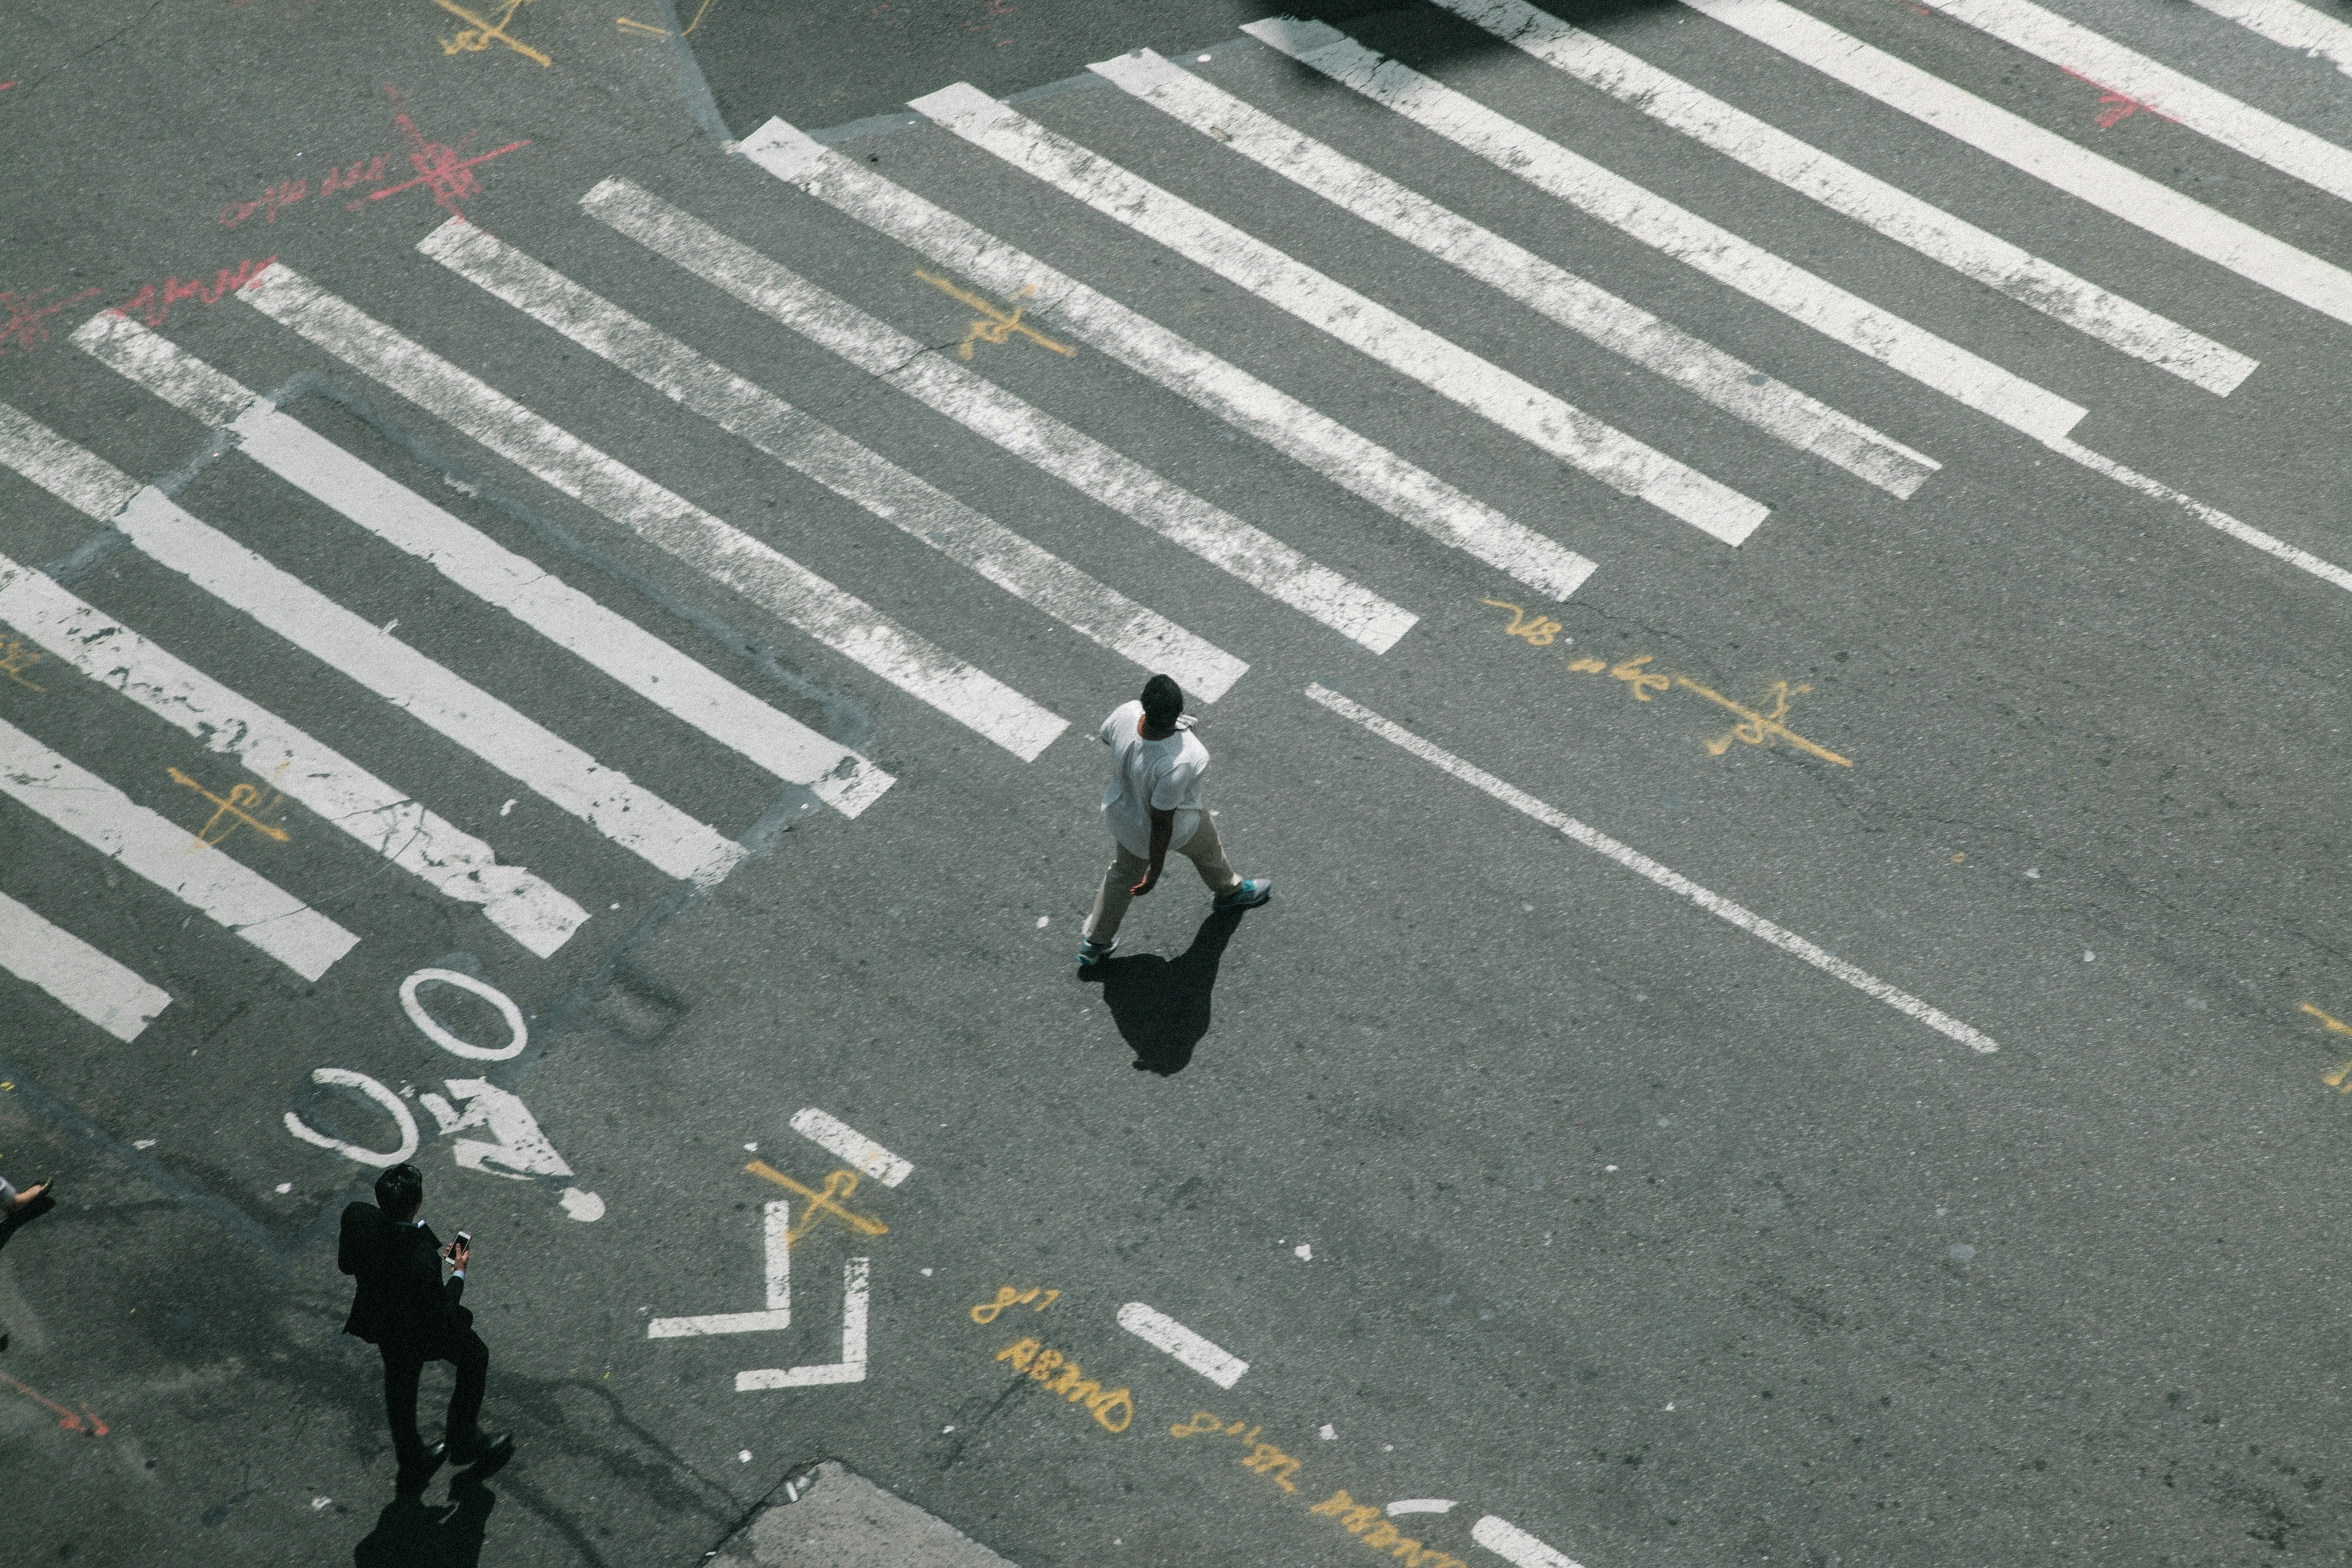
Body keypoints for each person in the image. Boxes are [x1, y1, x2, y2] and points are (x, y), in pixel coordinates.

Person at [338, 1163, 512, 1494]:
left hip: (384, 1321)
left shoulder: (357, 1215)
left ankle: (412, 1459)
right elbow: (443, 1311)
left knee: (401, 1386)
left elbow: (347, 1265)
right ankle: (464, 1440)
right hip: (419, 1327)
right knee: (475, 1356)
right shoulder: (420, 1258)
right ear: (416, 1203)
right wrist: (458, 1271)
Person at [1078, 673, 1270, 965]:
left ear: (1145, 705)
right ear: (1178, 711)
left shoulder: (1127, 712)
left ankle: (1096, 942)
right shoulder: (1188, 757)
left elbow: (1108, 737)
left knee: (1121, 876)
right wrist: (1154, 873)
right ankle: (1230, 892)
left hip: (1124, 816)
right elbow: (1162, 823)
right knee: (1208, 850)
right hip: (1179, 827)